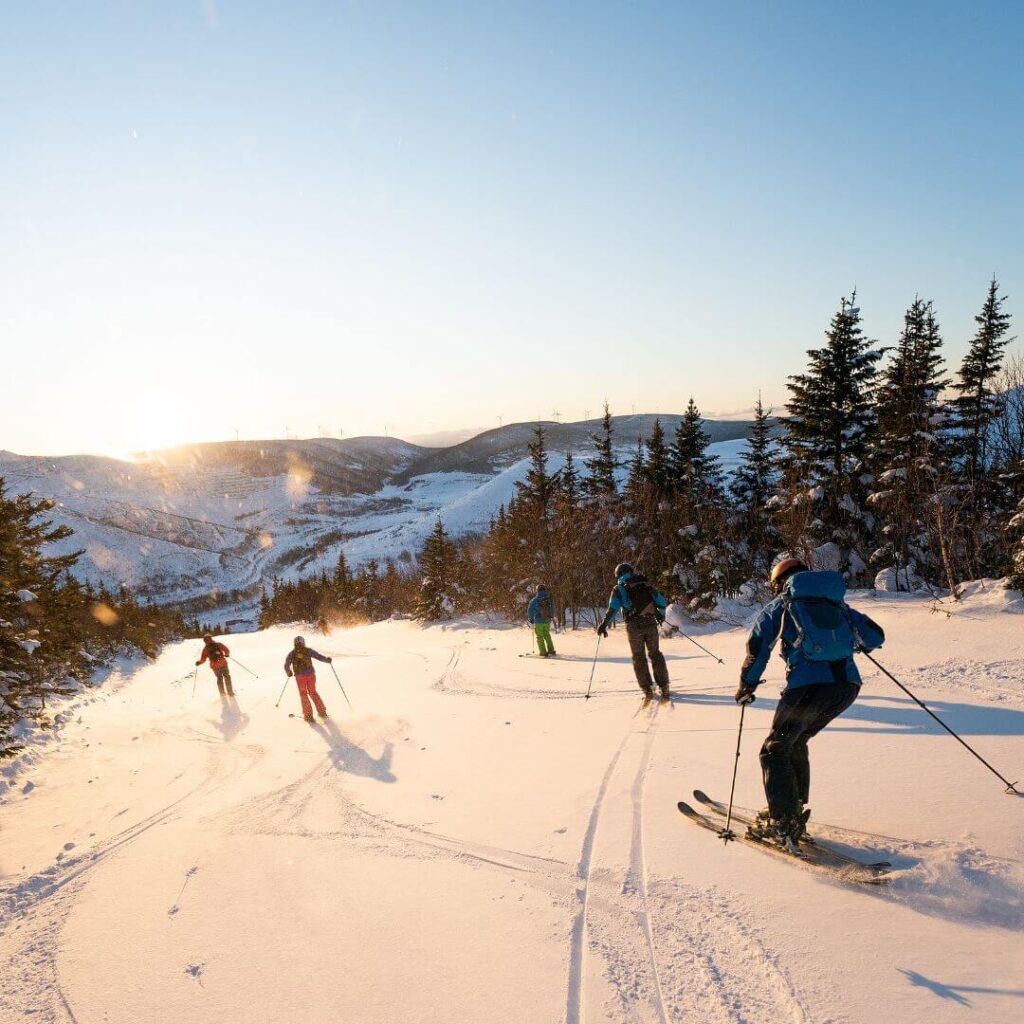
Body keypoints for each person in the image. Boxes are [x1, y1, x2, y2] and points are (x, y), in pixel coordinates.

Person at [736, 557, 885, 850]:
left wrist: (746, 685)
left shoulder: (781, 606)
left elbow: (758, 648)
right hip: (845, 687)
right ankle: (793, 808)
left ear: (781, 582)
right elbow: (876, 636)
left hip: (808, 686)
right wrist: (856, 643)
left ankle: (783, 821)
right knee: (795, 740)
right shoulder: (838, 606)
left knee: (774, 748)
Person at [597, 563, 670, 701]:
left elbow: (613, 609)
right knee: (655, 654)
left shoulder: (619, 589)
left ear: (618, 575)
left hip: (633, 626)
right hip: (650, 623)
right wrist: (661, 615)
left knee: (638, 656)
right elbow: (661, 601)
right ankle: (664, 685)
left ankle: (647, 688)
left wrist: (604, 624)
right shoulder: (644, 584)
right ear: (631, 572)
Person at [284, 636, 333, 723]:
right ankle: (322, 712)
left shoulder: (292, 653)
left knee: (303, 694)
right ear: (303, 642)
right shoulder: (308, 650)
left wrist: (289, 672)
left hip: (300, 676)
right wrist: (327, 660)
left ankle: (308, 715)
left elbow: (287, 664)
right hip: (311, 674)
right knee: (313, 692)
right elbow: (318, 656)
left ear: (294, 643)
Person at [526, 584, 556, 657]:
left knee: (540, 636)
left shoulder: (535, 600)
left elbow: (530, 610)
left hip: (539, 621)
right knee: (547, 635)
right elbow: (553, 608)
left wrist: (531, 619)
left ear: (537, 590)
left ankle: (543, 652)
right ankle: (551, 650)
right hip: (547, 621)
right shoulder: (549, 599)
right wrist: (550, 617)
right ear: (545, 590)